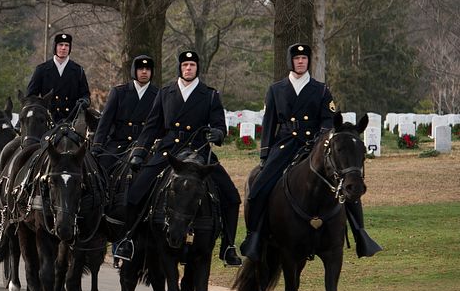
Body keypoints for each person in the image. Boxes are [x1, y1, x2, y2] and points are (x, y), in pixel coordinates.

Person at [242, 43, 381, 261]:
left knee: (349, 184)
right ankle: (255, 237)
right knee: (259, 187)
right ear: (291, 61)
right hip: (285, 145)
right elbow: (269, 124)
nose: (301, 62)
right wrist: (265, 154)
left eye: (304, 59)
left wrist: (321, 139)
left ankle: (361, 234)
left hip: (314, 145)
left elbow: (328, 120)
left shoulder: (321, 90)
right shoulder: (276, 89)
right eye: (297, 59)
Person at [126, 50, 243, 267]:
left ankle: (228, 246)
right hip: (169, 151)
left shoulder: (209, 94)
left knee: (232, 197)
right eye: (185, 65)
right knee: (136, 191)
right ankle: (129, 240)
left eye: (192, 65)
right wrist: (139, 152)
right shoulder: (166, 92)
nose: (188, 68)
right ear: (180, 68)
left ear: (198, 68)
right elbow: (152, 125)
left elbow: (219, 124)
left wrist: (218, 133)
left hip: (199, 150)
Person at [92, 54, 158, 173]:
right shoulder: (119, 92)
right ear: (134, 71)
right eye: (140, 69)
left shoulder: (159, 94)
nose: (144, 72)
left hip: (145, 145)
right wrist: (97, 145)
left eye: (148, 69)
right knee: (100, 169)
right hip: (119, 143)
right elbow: (105, 121)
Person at [26, 32, 90, 122]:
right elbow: (30, 96)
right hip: (47, 120)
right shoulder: (42, 69)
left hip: (71, 120)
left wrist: (84, 101)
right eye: (60, 45)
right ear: (55, 47)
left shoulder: (78, 71)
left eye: (67, 45)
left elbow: (85, 94)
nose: (63, 48)